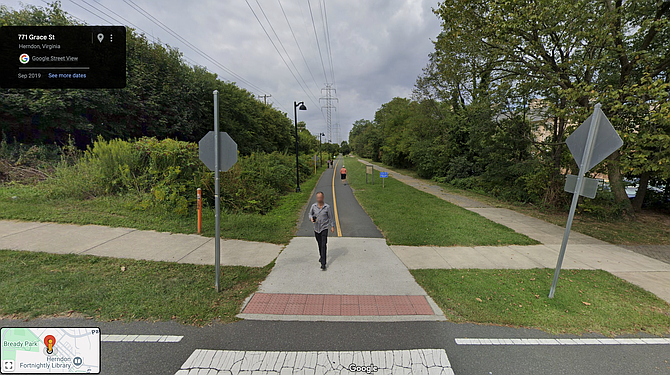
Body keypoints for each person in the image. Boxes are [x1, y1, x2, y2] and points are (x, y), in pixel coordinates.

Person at [309, 192, 335, 270]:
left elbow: (331, 217)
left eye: (320, 198)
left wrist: (332, 226)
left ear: (323, 197)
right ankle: (321, 256)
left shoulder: (327, 207)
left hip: (324, 228)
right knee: (319, 244)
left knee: (324, 244)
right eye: (318, 198)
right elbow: (310, 214)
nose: (319, 199)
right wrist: (311, 218)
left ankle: (323, 263)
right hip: (316, 229)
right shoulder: (313, 206)